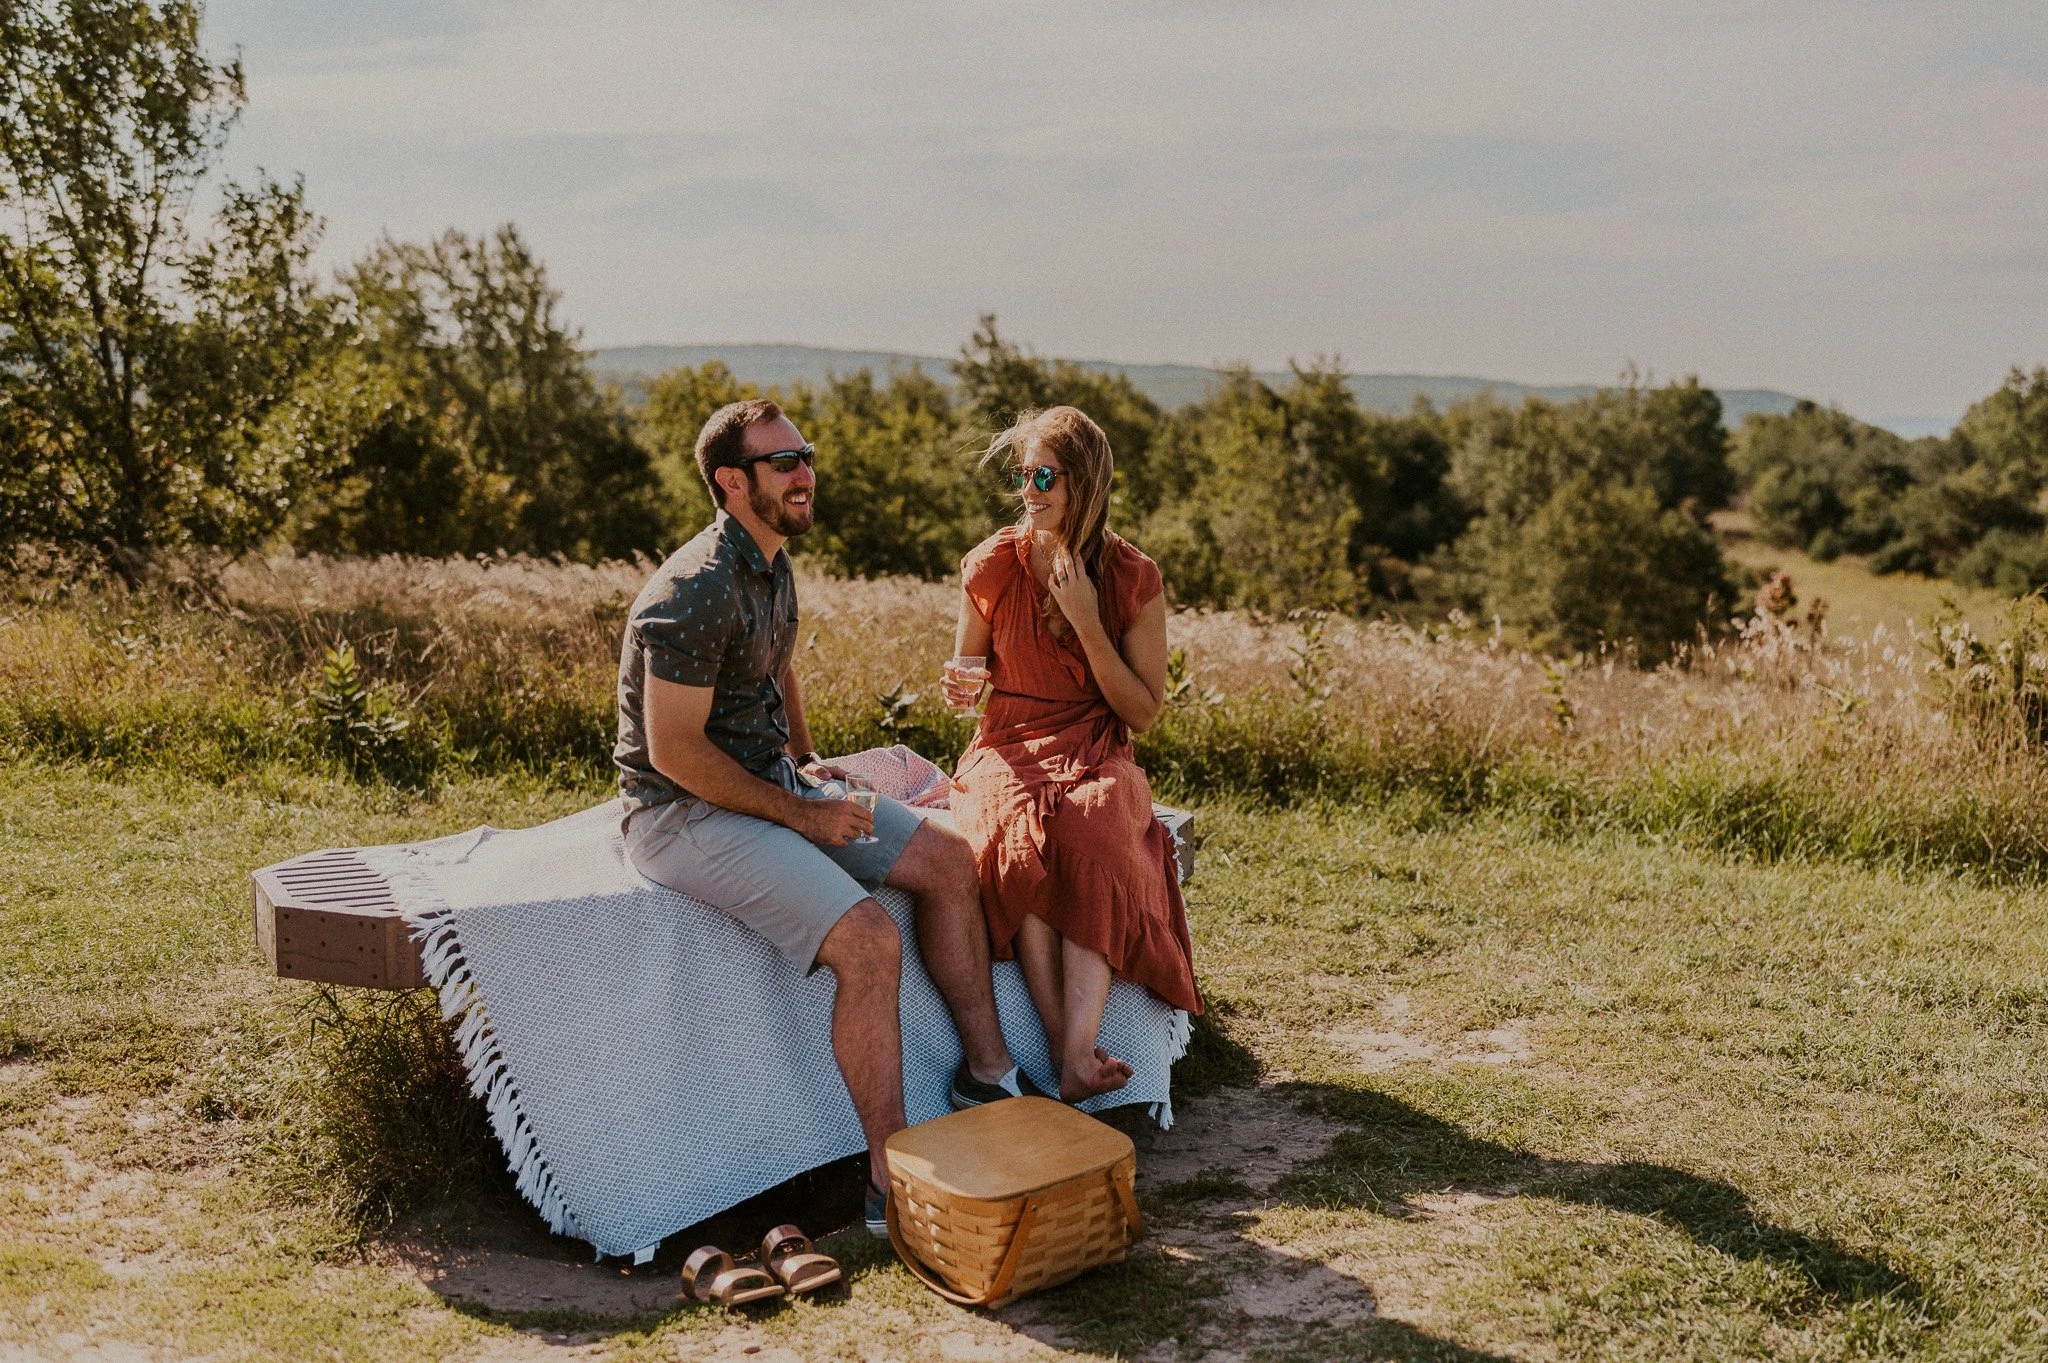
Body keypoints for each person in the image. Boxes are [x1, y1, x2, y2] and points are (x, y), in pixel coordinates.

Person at [613, 398, 1039, 1238]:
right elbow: (674, 753)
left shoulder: (771, 561)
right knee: (870, 939)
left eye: (806, 455)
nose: (805, 471)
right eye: (783, 462)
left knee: (951, 862)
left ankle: (989, 1076)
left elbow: (778, 667)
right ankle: (889, 1179)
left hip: (765, 782)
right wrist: (804, 818)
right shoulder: (692, 589)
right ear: (732, 482)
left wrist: (806, 765)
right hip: (681, 815)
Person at [942, 406, 1202, 1104]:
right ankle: (1074, 1054)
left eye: (1045, 474)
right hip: (1007, 742)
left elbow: (1142, 711)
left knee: (1091, 826)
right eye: (1024, 473)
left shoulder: (1131, 577)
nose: (1030, 488)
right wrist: (959, 687)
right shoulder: (992, 564)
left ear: (1083, 481)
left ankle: (1074, 1052)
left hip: (1096, 741)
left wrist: (1088, 622)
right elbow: (969, 678)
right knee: (1016, 834)